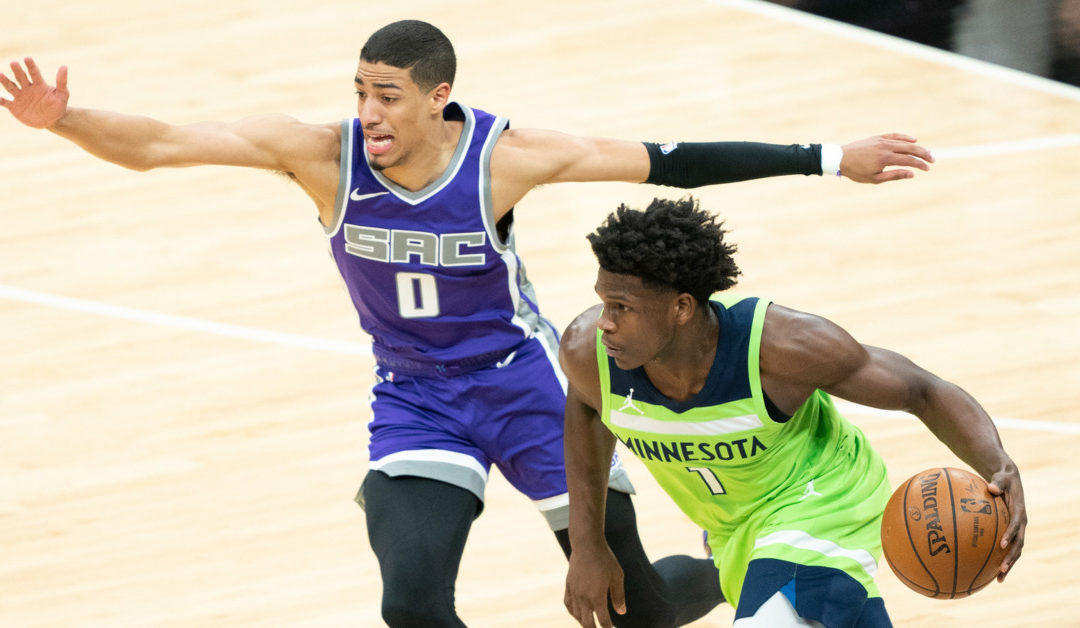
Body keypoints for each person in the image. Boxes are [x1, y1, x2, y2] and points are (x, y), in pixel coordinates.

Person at [1, 20, 935, 628]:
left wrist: (825, 157)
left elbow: (667, 159)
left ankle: (729, 574)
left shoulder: (504, 159)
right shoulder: (320, 156)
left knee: (634, 608)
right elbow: (159, 146)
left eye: (388, 95)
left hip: (525, 384)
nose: (366, 111)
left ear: (438, 96)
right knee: (411, 605)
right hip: (416, 398)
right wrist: (65, 118)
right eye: (360, 90)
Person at [558, 196, 1027, 628]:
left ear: (681, 308)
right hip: (733, 526)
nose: (605, 322)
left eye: (622, 307)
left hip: (823, 499)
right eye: (603, 302)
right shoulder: (589, 356)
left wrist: (998, 465)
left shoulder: (780, 349)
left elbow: (921, 390)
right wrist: (587, 542)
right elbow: (584, 410)